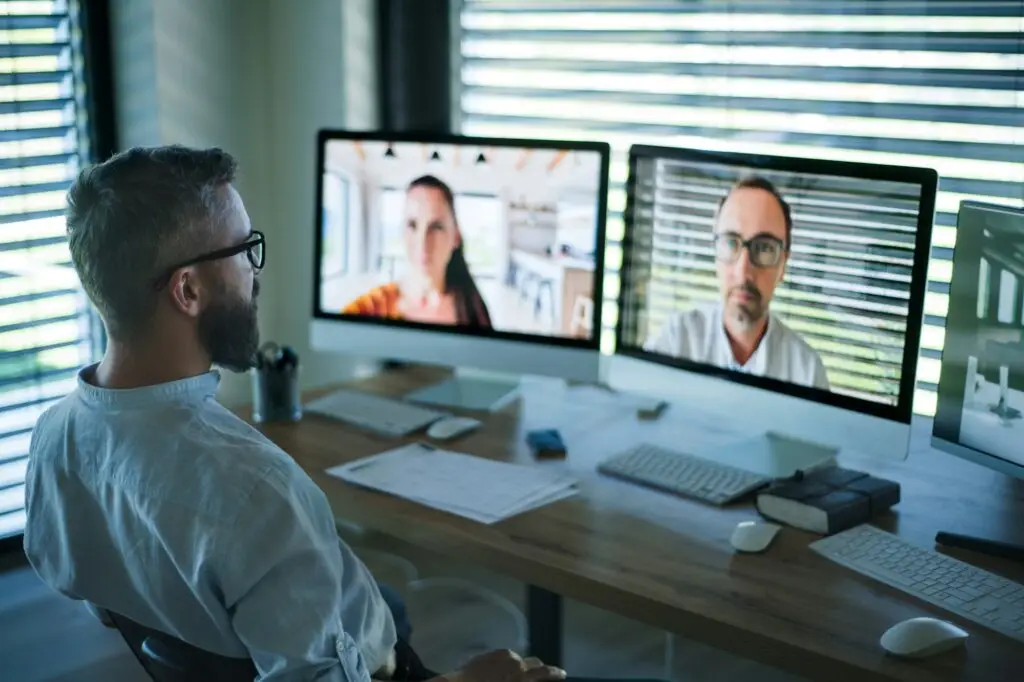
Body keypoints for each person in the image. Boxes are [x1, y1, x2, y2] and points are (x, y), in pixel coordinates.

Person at [23, 145, 564, 682]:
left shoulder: (53, 439)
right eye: (242, 250)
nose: (254, 274)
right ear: (187, 289)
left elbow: (100, 594)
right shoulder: (258, 491)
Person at [644, 175, 829, 390]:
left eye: (765, 248)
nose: (743, 271)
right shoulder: (674, 342)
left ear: (783, 266)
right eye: (731, 243)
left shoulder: (807, 372)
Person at [343, 175, 492, 328]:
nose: (423, 243)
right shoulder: (373, 306)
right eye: (412, 225)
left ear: (456, 237)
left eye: (436, 227)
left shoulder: (473, 310)